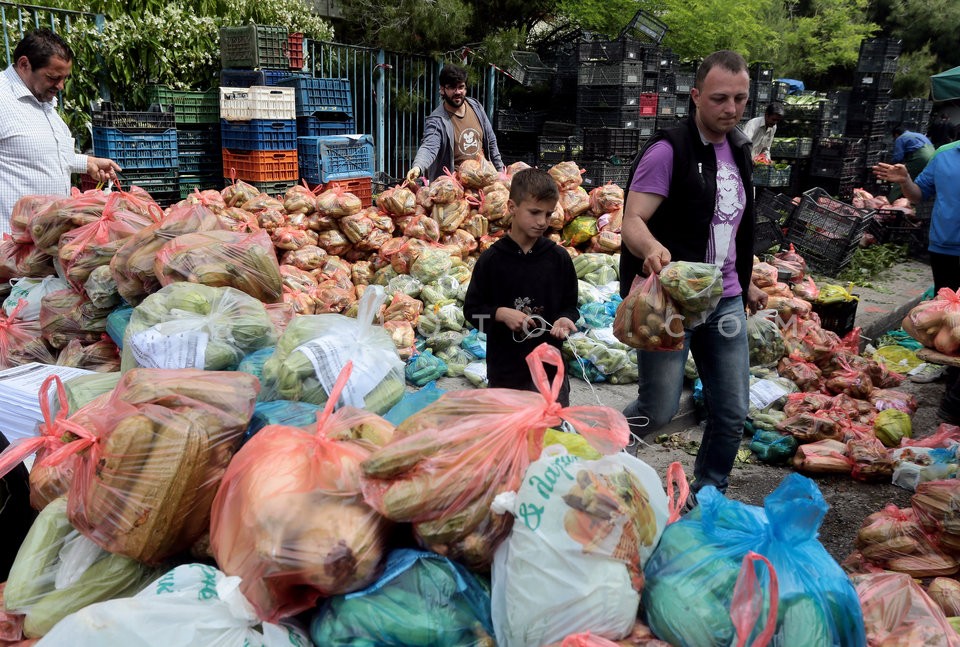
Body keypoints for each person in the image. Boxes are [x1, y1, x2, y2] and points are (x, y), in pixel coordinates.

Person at [619, 50, 766, 501]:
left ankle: (707, 494)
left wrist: (746, 279)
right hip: (672, 304)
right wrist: (651, 248)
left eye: (740, 99)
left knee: (732, 410)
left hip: (725, 300)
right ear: (696, 96)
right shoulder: (669, 150)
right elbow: (632, 220)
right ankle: (609, 452)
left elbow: (729, 225)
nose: (731, 108)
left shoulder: (740, 148)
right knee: (659, 407)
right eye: (720, 98)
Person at [463, 168, 578, 406]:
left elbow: (570, 305)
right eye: (534, 212)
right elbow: (473, 312)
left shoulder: (558, 259)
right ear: (512, 207)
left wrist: (565, 319)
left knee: (550, 426)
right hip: (506, 372)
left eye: (548, 214)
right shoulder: (492, 260)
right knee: (509, 426)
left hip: (549, 372)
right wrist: (500, 314)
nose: (542, 222)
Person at [0, 29, 120, 236]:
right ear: (24, 64)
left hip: (45, 239)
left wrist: (87, 163)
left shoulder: (43, 100)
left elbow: (38, 153)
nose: (61, 86)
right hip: (10, 241)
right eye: (53, 77)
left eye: (64, 78)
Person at [874, 148, 960, 422]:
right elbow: (918, 194)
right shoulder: (945, 154)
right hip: (944, 246)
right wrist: (905, 180)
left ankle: (954, 396)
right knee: (944, 317)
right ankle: (949, 374)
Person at [405, 63, 504, 184]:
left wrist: (500, 170)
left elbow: (491, 141)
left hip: (482, 181)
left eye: (461, 87)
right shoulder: (437, 120)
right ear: (442, 89)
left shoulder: (476, 107)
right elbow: (429, 147)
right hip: (454, 187)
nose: (457, 92)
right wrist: (418, 166)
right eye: (452, 87)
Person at [889, 126, 935, 201]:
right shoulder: (919, 135)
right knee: (919, 180)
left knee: (902, 177)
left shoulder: (900, 138)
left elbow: (898, 157)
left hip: (920, 158)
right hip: (933, 157)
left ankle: (891, 201)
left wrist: (890, 165)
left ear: (896, 134)